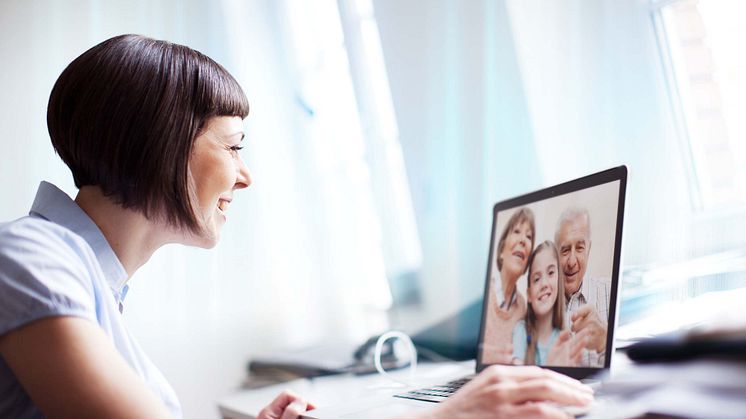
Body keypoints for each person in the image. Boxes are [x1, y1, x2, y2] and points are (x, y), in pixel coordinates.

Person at [0, 35, 594, 418]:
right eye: (233, 146)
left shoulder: (83, 281)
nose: (245, 176)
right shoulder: (32, 257)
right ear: (156, 146)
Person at [512, 241, 587, 366]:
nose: (544, 284)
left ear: (559, 282)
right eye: (536, 279)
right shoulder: (521, 332)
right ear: (529, 294)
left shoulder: (565, 340)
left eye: (551, 273)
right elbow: (516, 375)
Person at [555, 207, 610, 368]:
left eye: (579, 248)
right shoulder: (541, 306)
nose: (572, 262)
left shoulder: (610, 292)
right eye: (565, 250)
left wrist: (604, 341)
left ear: (589, 249)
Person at [482, 207, 534, 364]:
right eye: (517, 231)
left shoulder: (522, 307)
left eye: (529, 236)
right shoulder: (483, 295)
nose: (523, 240)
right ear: (501, 252)